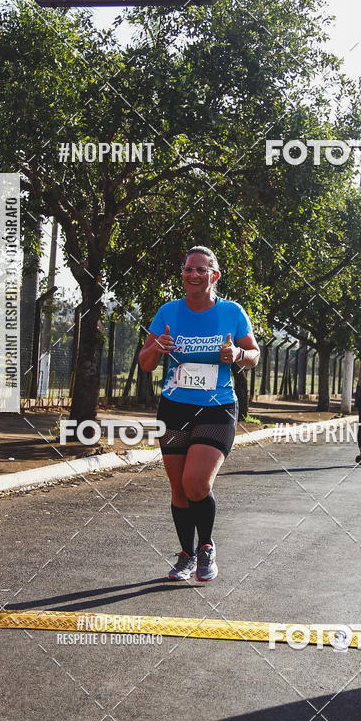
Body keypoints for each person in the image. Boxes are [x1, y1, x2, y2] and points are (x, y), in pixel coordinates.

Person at [139, 246, 260, 582]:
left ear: (214, 275)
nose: (193, 275)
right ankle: (186, 555)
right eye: (188, 269)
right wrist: (155, 348)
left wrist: (237, 354)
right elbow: (145, 363)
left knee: (196, 482)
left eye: (200, 270)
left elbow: (254, 354)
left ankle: (206, 546)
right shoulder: (168, 312)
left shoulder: (232, 312)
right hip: (174, 407)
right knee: (179, 488)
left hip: (217, 408)